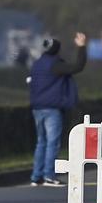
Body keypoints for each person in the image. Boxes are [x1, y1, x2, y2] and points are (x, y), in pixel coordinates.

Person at [27, 31, 88, 187]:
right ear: (57, 50)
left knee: (41, 142)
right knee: (52, 142)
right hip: (52, 108)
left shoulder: (37, 64)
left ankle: (36, 176)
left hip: (37, 107)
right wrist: (81, 47)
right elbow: (77, 67)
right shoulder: (56, 65)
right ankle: (49, 175)